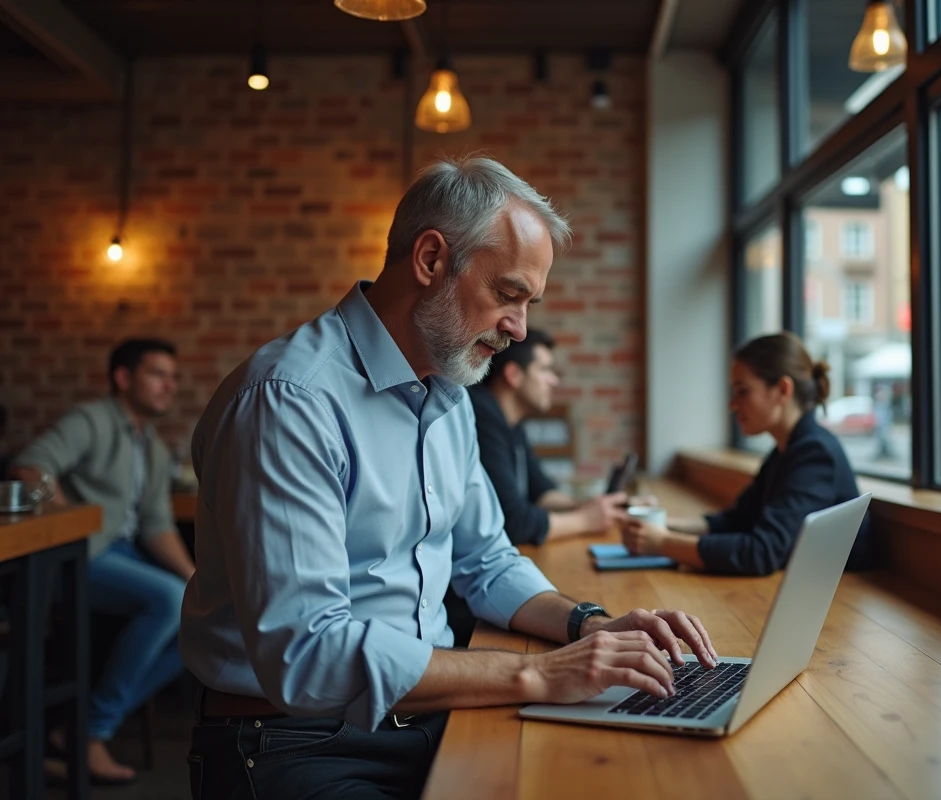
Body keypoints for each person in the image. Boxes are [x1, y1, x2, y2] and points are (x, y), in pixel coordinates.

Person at [180, 156, 717, 800]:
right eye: (508, 294)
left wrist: (591, 626)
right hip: (292, 743)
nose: (519, 328)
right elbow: (309, 654)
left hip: (428, 721)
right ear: (431, 260)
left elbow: (487, 562)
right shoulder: (289, 401)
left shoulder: (450, 397)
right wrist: (539, 675)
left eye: (527, 303)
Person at [10, 338, 194, 785]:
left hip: (123, 557)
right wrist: (75, 526)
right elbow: (31, 468)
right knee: (170, 600)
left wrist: (198, 582)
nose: (169, 385)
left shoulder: (150, 448)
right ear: (124, 378)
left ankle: (81, 728)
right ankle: (91, 733)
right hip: (77, 559)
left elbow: (157, 527)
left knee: (206, 616)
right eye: (157, 374)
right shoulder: (90, 419)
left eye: (173, 376)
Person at [621, 332, 873, 576]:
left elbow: (762, 552)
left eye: (743, 391)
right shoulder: (787, 450)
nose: (732, 404)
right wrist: (661, 526)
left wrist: (663, 542)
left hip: (836, 595)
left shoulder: (814, 454)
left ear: (783, 389)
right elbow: (738, 519)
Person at [468, 328, 628, 546]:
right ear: (513, 375)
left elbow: (541, 492)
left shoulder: (511, 424)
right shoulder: (481, 416)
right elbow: (512, 522)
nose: (553, 380)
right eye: (544, 370)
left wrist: (592, 506)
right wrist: (585, 520)